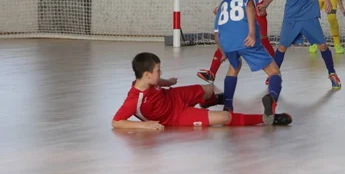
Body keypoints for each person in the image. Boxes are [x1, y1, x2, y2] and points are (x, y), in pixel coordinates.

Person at [112, 52, 291, 130]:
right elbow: (117, 122)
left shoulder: (148, 81)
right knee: (224, 118)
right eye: (159, 71)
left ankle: (209, 101)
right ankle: (267, 119)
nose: (161, 73)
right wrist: (144, 125)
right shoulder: (134, 99)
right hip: (175, 116)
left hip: (172, 96)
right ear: (146, 75)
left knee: (207, 89)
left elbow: (158, 83)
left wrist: (169, 82)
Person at [214, 0, 283, 124]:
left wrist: (222, 49)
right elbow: (250, 8)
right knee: (274, 72)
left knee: (234, 67)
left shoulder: (224, 0)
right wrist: (252, 33)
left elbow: (216, 30)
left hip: (226, 41)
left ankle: (228, 106)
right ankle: (271, 99)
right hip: (245, 38)